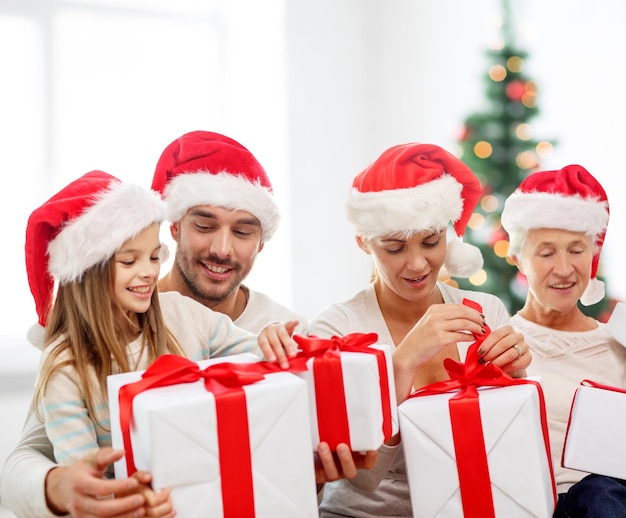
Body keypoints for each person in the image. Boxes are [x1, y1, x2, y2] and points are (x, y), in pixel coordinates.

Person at [0, 132, 370, 517]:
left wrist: (310, 478)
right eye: (205, 225)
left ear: (261, 241)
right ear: (172, 227)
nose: (222, 249)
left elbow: (290, 477)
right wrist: (57, 487)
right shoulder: (84, 343)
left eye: (242, 231)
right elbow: (25, 461)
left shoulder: (279, 333)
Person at [11, 170, 297, 516]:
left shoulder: (181, 313)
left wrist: (271, 338)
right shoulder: (66, 366)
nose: (148, 272)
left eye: (153, 256)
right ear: (88, 272)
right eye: (129, 261)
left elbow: (262, 358)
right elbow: (89, 479)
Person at [309, 142, 531, 518]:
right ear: (364, 242)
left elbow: (511, 450)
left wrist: (518, 379)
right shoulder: (337, 329)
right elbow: (360, 480)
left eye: (431, 242)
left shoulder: (485, 310)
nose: (417, 264)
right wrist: (404, 361)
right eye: (395, 248)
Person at [501, 164, 626, 517]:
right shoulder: (501, 343)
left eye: (576, 250)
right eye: (546, 253)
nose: (564, 268)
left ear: (593, 254)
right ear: (517, 259)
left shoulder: (618, 347)